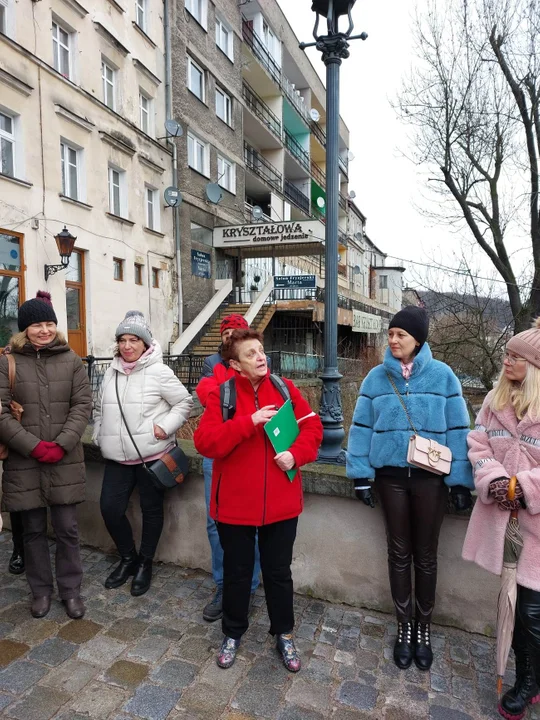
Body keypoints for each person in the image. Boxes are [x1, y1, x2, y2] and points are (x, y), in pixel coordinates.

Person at [346, 306, 473, 672]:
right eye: (390, 333)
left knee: (426, 555)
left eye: (400, 334)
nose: (393, 339)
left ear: (418, 338)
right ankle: (404, 629)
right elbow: (361, 427)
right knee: (398, 553)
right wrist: (360, 474)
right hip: (390, 478)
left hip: (431, 480)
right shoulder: (375, 379)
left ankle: (424, 630)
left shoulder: (444, 377)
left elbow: (458, 431)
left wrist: (460, 481)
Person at [194, 328, 323, 672]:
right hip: (234, 507)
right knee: (238, 573)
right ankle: (233, 633)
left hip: (281, 505)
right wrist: (247, 423)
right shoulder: (223, 396)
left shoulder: (284, 389)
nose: (260, 357)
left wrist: (296, 455)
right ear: (234, 364)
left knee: (278, 573)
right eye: (250, 354)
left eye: (261, 351)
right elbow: (205, 443)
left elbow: (313, 429)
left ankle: (284, 633)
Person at [463, 319, 540, 720]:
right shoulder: (495, 400)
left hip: (537, 526)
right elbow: (477, 444)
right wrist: (493, 479)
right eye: (507, 354)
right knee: (514, 601)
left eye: (514, 356)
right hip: (508, 527)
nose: (506, 360)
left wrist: (522, 487)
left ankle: (529, 681)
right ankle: (529, 679)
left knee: (530, 610)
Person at [0, 291, 92, 619]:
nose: (44, 330)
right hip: (25, 461)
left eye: (49, 323)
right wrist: (34, 446)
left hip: (64, 459)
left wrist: (62, 443)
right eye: (37, 324)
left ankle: (71, 591)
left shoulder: (71, 360)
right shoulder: (8, 361)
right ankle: (40, 591)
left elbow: (82, 405)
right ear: (25, 329)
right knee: (33, 530)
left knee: (67, 528)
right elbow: (1, 413)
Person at [94, 311, 193, 596]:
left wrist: (165, 426)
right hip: (117, 458)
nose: (127, 346)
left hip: (151, 456)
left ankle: (145, 563)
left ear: (145, 343)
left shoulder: (159, 372)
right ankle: (128, 558)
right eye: (122, 340)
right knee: (110, 510)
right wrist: (100, 435)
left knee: (151, 512)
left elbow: (184, 403)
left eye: (133, 340)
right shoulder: (110, 373)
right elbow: (99, 409)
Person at [196, 314, 262, 622]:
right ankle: (224, 586)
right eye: (226, 333)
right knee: (215, 521)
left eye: (236, 332)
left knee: (254, 525)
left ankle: (247, 587)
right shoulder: (212, 363)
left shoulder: (257, 359)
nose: (229, 337)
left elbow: (259, 398)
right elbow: (208, 395)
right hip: (218, 454)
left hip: (250, 450)